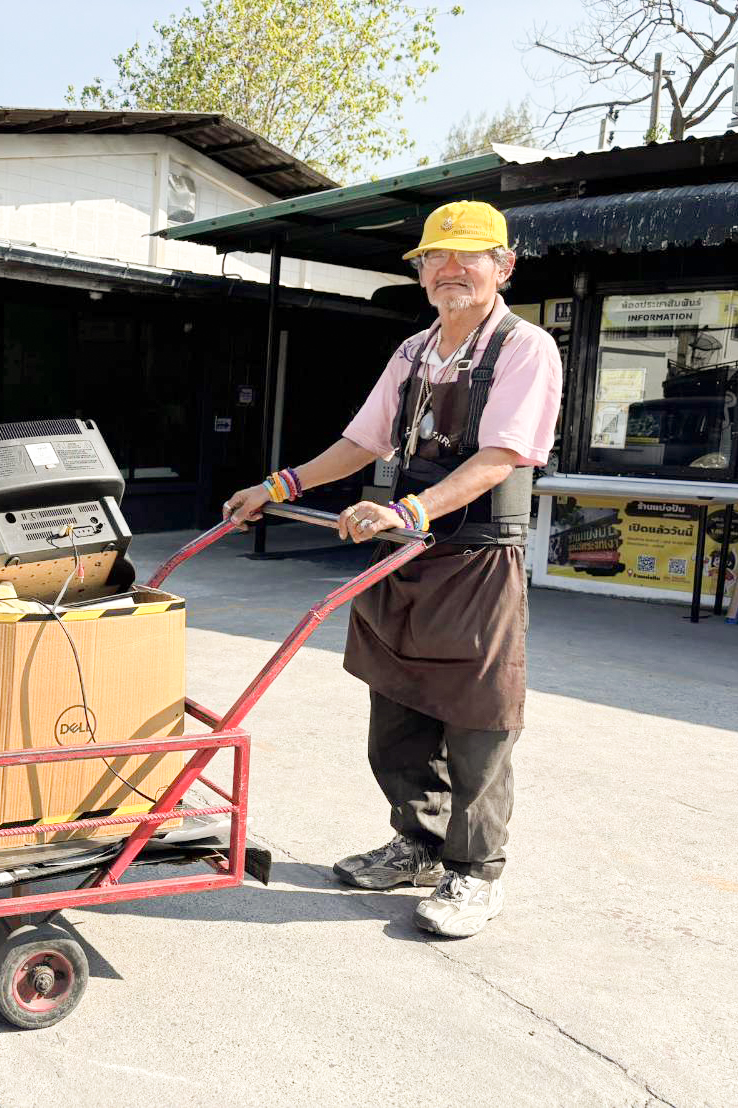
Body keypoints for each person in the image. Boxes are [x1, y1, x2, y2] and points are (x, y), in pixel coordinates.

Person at [223, 201, 562, 937]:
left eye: (467, 257)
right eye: (435, 258)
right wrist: (279, 485)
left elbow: (500, 457)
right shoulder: (413, 352)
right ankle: (418, 844)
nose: (449, 270)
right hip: (407, 552)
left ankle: (476, 872)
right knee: (397, 711)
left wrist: (409, 510)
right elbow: (362, 441)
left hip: (476, 558)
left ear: (502, 267)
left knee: (477, 724)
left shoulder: (524, 348)